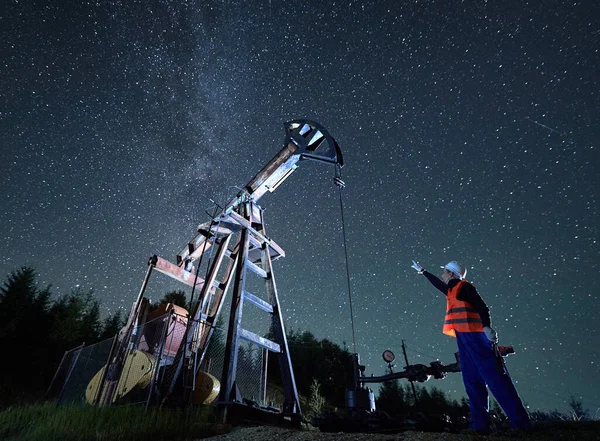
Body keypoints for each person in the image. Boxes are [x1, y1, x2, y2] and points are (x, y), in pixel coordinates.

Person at [411, 259, 531, 434]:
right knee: (472, 382)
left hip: (477, 337)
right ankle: (480, 426)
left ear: (451, 274)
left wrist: (488, 327)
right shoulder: (451, 290)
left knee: (496, 379)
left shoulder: (465, 287)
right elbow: (438, 284)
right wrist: (423, 271)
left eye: (444, 272)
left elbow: (482, 307)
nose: (442, 275)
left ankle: (520, 424)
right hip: (464, 339)